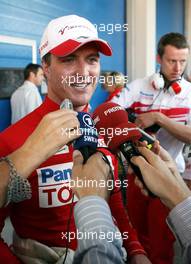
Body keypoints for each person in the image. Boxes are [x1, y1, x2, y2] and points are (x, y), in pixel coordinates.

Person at [0, 15, 150, 263]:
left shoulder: (105, 126)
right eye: (69, 59)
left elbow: (112, 198)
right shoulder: (12, 140)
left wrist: (135, 249)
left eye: (92, 59)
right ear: (46, 67)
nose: (83, 72)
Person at [111, 32, 191, 264]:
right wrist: (132, 122)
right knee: (135, 237)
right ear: (159, 58)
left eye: (183, 61)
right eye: (171, 60)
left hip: (169, 178)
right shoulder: (139, 86)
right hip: (134, 175)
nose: (177, 67)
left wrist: (160, 118)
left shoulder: (189, 94)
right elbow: (111, 111)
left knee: (161, 245)